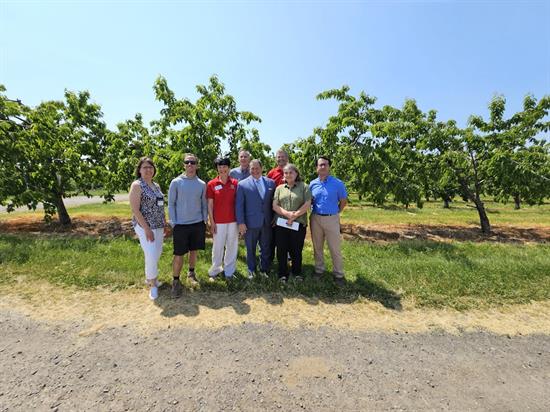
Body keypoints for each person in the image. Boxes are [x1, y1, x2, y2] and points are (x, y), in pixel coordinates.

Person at [168, 153, 208, 297]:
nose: (190, 165)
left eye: (193, 162)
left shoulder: (202, 184)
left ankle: (191, 273)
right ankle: (176, 281)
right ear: (184, 165)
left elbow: (204, 204)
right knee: (178, 254)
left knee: (194, 251)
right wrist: (173, 222)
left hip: (197, 224)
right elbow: (171, 204)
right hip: (180, 225)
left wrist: (205, 220)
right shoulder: (176, 182)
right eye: (187, 162)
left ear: (197, 165)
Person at [129, 157, 169, 300]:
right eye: (145, 167)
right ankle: (153, 285)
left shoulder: (156, 185)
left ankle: (149, 277)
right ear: (139, 170)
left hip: (158, 225)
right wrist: (146, 229)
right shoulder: (137, 185)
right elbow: (135, 210)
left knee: (156, 254)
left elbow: (160, 206)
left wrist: (164, 222)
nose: (148, 170)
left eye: (150, 167)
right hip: (144, 226)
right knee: (151, 254)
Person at [309, 156, 348, 286]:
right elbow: (310, 201)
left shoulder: (338, 183)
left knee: (334, 248)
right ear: (316, 168)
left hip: (332, 218)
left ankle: (338, 274)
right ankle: (319, 270)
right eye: (320, 165)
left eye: (325, 164)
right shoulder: (312, 184)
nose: (323, 167)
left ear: (329, 166)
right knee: (317, 247)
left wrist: (336, 212)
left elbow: (343, 201)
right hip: (315, 218)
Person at [235, 159, 275, 279]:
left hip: (267, 222)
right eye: (252, 168)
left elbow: (274, 202)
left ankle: (264, 269)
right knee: (250, 248)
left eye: (257, 168)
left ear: (262, 168)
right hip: (250, 223)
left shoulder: (271, 183)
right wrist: (241, 223)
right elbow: (239, 205)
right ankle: (251, 270)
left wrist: (274, 218)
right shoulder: (242, 184)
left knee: (266, 247)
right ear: (249, 169)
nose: (255, 171)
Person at [272, 164, 311, 282]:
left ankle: (297, 273)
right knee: (281, 250)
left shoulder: (304, 187)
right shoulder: (279, 188)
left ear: (296, 174)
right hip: (281, 224)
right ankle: (282, 274)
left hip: (298, 224)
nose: (288, 175)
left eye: (291, 172)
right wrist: (287, 214)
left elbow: (307, 203)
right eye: (286, 173)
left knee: (296, 250)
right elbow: (274, 205)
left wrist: (295, 215)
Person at [206, 156, 239, 281]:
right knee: (217, 247)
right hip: (218, 222)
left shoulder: (235, 183)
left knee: (232, 246)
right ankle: (215, 270)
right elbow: (210, 205)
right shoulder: (212, 184)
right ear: (217, 169)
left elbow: (238, 203)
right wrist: (211, 221)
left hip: (233, 221)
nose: (222, 169)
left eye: (225, 166)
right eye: (220, 166)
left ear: (229, 168)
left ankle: (229, 272)